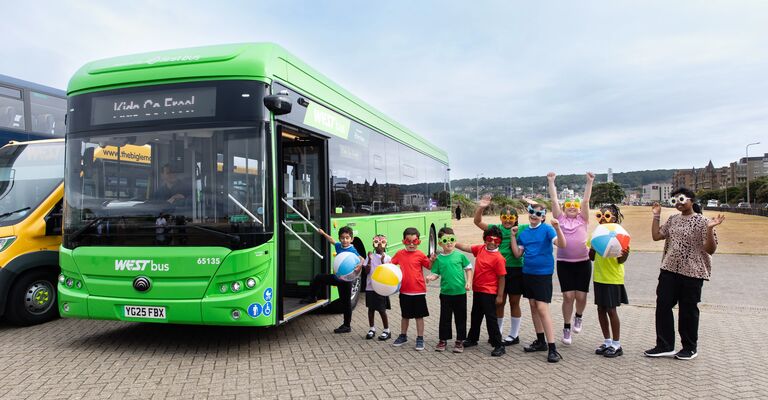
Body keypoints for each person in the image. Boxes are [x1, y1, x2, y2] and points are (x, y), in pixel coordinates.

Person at [645, 188, 724, 360]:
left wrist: (710, 229)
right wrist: (656, 216)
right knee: (663, 306)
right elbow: (657, 236)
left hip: (693, 272)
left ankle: (689, 347)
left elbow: (710, 249)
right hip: (669, 269)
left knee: (688, 310)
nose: (678, 203)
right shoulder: (673, 219)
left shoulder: (702, 221)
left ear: (691, 200)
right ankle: (664, 345)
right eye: (674, 201)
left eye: (681, 199)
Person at [510, 204, 567, 363]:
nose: (534, 216)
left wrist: (558, 228)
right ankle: (540, 341)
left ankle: (552, 348)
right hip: (528, 273)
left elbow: (562, 245)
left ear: (543, 216)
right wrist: (513, 236)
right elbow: (517, 254)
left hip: (543, 274)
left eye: (538, 214)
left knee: (542, 308)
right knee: (533, 307)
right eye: (532, 212)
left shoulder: (548, 230)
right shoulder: (524, 232)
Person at [474, 194, 528, 346]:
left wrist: (533, 207)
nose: (508, 220)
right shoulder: (495, 229)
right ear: (500, 217)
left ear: (516, 218)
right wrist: (482, 207)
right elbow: (477, 221)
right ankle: (496, 334)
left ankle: (514, 335)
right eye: (505, 217)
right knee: (499, 302)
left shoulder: (521, 229)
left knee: (514, 302)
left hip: (516, 270)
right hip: (498, 272)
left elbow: (538, 222)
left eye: (511, 218)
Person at [547, 171, 594, 345]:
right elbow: (553, 200)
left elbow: (586, 201)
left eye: (575, 205)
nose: (572, 207)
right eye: (569, 205)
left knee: (581, 297)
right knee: (568, 296)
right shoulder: (560, 218)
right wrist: (551, 182)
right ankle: (566, 328)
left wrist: (589, 182)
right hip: (564, 263)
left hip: (583, 262)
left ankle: (578, 316)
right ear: (564, 208)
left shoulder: (584, 219)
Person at [456, 225, 507, 357]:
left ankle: (498, 345)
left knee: (491, 318)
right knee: (476, 315)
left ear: (500, 242)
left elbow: (502, 278)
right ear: (485, 239)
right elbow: (466, 247)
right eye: (489, 239)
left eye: (496, 240)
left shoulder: (499, 258)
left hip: (489, 292)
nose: (492, 242)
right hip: (478, 289)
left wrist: (500, 296)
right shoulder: (480, 249)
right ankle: (473, 338)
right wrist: (453, 243)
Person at [302, 226, 363, 334]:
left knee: (346, 303)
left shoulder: (352, 250)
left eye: (347, 238)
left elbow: (362, 259)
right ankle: (312, 297)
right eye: (343, 238)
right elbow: (332, 240)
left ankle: (347, 325)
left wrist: (359, 266)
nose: (345, 240)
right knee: (318, 278)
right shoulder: (339, 245)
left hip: (346, 280)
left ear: (351, 239)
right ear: (340, 238)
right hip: (337, 277)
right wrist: (323, 233)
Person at [589, 204, 630, 358]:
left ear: (614, 217)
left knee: (612, 310)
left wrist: (625, 253)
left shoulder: (620, 234)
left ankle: (617, 344)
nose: (603, 219)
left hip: (613, 277)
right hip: (599, 277)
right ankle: (607, 341)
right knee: (601, 309)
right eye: (600, 216)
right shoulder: (596, 234)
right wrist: (592, 248)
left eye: (607, 216)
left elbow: (621, 260)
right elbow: (591, 257)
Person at [426, 227, 472, 353]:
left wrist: (468, 282)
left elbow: (468, 268)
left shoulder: (460, 256)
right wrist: (431, 277)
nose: (449, 242)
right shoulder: (439, 259)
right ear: (440, 243)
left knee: (460, 318)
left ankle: (460, 341)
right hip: (445, 294)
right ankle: (443, 340)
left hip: (460, 293)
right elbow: (435, 273)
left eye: (452, 239)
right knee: (445, 318)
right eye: (446, 240)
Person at [391, 227, 432, 351]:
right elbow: (390, 266)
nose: (412, 244)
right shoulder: (399, 254)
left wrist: (433, 260)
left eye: (415, 241)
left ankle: (420, 338)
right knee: (405, 315)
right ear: (403, 241)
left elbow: (429, 266)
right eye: (408, 241)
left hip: (419, 290)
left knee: (419, 316)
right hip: (404, 290)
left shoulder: (420, 254)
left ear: (419, 241)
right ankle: (403, 335)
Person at [363, 234, 392, 341]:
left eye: (382, 243)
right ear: (373, 245)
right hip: (370, 287)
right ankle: (372, 328)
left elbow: (388, 273)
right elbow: (366, 271)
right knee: (371, 309)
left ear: (385, 245)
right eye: (376, 243)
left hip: (381, 288)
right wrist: (369, 260)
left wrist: (382, 261)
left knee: (381, 309)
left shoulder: (388, 258)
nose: (379, 246)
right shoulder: (370, 256)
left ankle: (386, 330)